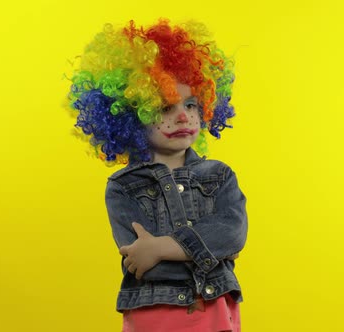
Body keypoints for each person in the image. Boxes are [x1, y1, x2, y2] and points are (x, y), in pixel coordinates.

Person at [67, 18, 248, 332]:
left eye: (191, 104)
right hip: (153, 313)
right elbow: (143, 265)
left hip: (214, 309)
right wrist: (204, 250)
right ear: (131, 116)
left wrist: (161, 247)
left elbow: (232, 235)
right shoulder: (123, 186)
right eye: (165, 107)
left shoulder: (219, 175)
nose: (183, 116)